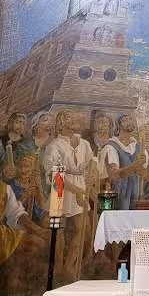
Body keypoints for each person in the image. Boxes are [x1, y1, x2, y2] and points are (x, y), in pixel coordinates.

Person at [42, 111, 93, 281]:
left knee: (83, 228)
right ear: (61, 124)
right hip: (60, 190)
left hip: (80, 185)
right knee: (59, 229)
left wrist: (88, 182)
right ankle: (58, 265)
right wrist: (77, 190)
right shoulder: (54, 146)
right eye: (69, 119)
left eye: (74, 118)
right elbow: (54, 177)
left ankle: (70, 265)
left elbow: (91, 165)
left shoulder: (84, 144)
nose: (74, 121)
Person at [98, 113, 149, 209]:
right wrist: (134, 165)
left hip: (138, 196)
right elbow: (114, 175)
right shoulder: (111, 147)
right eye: (125, 120)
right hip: (119, 196)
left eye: (130, 119)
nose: (129, 122)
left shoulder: (140, 147)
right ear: (118, 125)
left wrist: (145, 173)